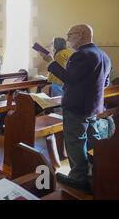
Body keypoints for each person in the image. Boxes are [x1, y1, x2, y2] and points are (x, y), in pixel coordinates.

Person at [40, 24, 111, 192]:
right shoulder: (103, 55)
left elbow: (69, 78)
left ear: (80, 35)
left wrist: (51, 61)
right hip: (94, 107)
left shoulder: (82, 55)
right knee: (92, 139)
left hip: (77, 107)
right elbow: (105, 83)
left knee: (75, 142)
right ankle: (96, 172)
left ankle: (79, 179)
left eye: (70, 34)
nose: (68, 37)